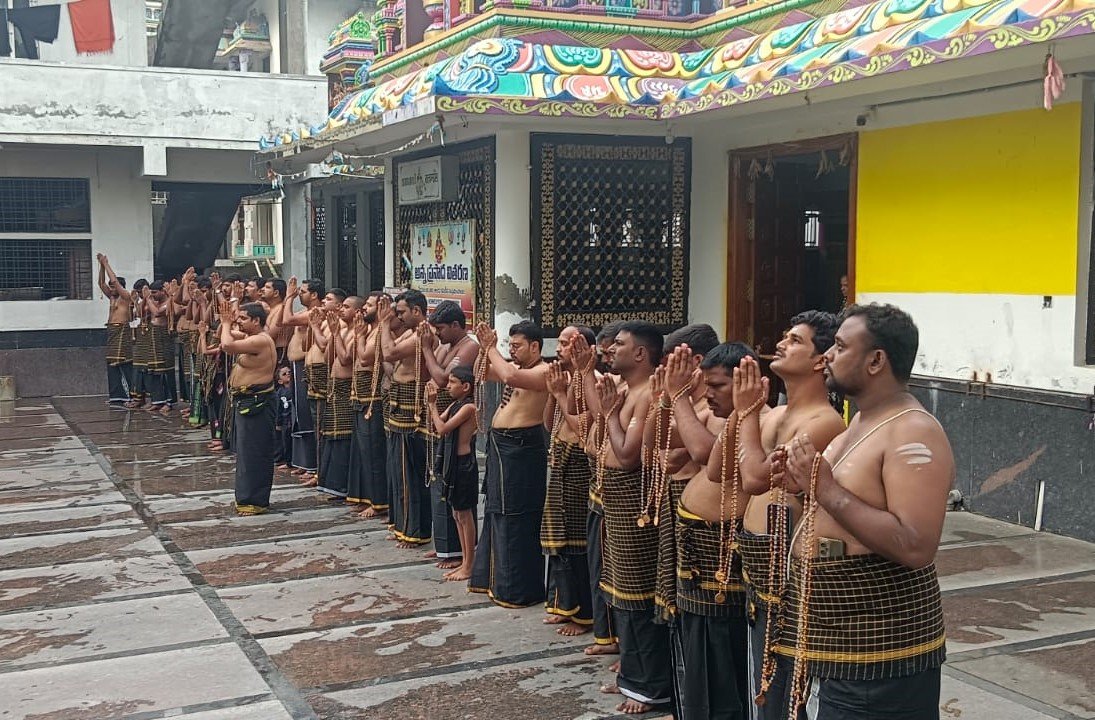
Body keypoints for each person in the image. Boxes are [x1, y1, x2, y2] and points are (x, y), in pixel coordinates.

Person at [778, 303, 953, 720]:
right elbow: (837, 511)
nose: (828, 356)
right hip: (834, 640)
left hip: (879, 656)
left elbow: (915, 545)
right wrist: (803, 488)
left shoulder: (913, 430)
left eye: (840, 346)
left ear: (876, 360)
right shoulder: (858, 422)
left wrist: (826, 488)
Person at [728, 311, 845, 720]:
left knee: (783, 679)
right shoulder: (773, 413)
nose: (780, 344)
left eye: (794, 340)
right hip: (757, 558)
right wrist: (744, 415)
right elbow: (723, 471)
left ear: (819, 360)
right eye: (783, 336)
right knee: (761, 673)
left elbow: (756, 477)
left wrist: (745, 415)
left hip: (789, 564)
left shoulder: (825, 422)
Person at [582, 321, 671, 715]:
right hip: (613, 497)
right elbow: (601, 432)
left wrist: (610, 416)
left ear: (641, 354)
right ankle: (631, 675)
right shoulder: (623, 390)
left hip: (635, 500)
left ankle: (649, 687)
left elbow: (628, 452)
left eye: (618, 344)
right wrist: (602, 404)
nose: (609, 350)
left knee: (636, 592)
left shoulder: (648, 394)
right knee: (618, 589)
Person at [668, 341, 759, 720]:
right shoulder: (728, 419)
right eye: (706, 384)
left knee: (724, 669)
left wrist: (678, 398)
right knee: (695, 659)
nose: (708, 394)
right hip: (697, 563)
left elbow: (711, 461)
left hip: (723, 569)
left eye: (718, 386)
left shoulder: (760, 423)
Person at [469, 320, 550, 608]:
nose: (512, 351)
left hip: (522, 450)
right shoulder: (518, 367)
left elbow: (511, 376)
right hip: (502, 446)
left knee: (516, 514)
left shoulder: (544, 371)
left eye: (517, 346)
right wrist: (484, 348)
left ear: (535, 346)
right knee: (496, 510)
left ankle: (518, 589)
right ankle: (494, 580)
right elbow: (484, 372)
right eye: (510, 345)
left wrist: (491, 348)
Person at [541, 326, 598, 637]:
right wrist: (554, 394)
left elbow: (583, 428)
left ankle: (584, 615)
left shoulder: (594, 383)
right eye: (560, 342)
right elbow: (550, 423)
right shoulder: (566, 380)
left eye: (567, 343)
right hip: (560, 462)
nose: (560, 348)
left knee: (577, 545)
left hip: (578, 469)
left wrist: (562, 394)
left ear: (585, 349)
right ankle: (563, 606)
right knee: (559, 544)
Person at [419, 300, 480, 569]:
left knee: (461, 505)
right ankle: (445, 546)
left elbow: (443, 379)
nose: (438, 334)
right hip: (443, 420)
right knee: (441, 490)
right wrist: (431, 347)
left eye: (441, 328)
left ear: (456, 325)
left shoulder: (470, 346)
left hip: (456, 431)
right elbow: (433, 375)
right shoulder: (445, 345)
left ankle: (462, 555)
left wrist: (425, 348)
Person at [378, 290, 433, 548]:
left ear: (417, 311)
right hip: (398, 402)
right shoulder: (409, 334)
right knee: (396, 470)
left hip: (411, 408)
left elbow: (388, 353)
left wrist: (383, 323)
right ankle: (402, 525)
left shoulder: (422, 333)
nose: (397, 316)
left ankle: (415, 530)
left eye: (401, 312)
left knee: (408, 471)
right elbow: (391, 363)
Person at [218, 300, 277, 515]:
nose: (239, 322)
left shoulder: (261, 341)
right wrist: (228, 320)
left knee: (253, 453)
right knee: (246, 452)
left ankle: (254, 501)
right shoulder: (252, 337)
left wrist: (226, 323)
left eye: (244, 318)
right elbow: (228, 335)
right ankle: (249, 498)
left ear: (256, 320)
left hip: (256, 403)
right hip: (246, 401)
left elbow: (226, 345)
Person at [426, 365, 480, 582]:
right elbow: (435, 424)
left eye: (452, 383)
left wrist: (432, 406)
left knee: (465, 515)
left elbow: (442, 429)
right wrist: (432, 405)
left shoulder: (469, 408)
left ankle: (469, 564)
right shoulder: (455, 404)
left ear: (465, 386)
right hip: (452, 464)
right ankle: (465, 560)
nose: (447, 387)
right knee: (457, 514)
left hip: (463, 465)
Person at [312, 295, 361, 501]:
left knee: (342, 437)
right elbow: (327, 357)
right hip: (334, 387)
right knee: (330, 435)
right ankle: (329, 484)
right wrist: (334, 334)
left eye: (347, 307)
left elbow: (345, 358)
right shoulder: (340, 330)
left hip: (346, 388)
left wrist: (335, 335)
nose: (342, 310)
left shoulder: (358, 332)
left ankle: (341, 486)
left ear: (357, 312)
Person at [347, 291, 390, 519]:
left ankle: (380, 502)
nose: (364, 308)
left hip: (373, 400)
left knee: (374, 452)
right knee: (364, 452)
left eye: (370, 305)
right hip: (360, 397)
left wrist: (359, 336)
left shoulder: (381, 332)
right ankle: (369, 498)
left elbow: (365, 358)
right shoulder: (369, 330)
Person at [278, 277, 324, 482]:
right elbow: (283, 320)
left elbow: (286, 320)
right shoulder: (305, 313)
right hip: (297, 365)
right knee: (298, 415)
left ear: (314, 295)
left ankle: (313, 465)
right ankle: (303, 462)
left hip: (306, 367)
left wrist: (288, 296)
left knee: (306, 415)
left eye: (303, 292)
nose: (299, 295)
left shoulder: (315, 313)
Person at [97, 254, 133, 407]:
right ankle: (115, 396)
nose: (111, 289)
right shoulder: (112, 297)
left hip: (122, 331)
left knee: (122, 363)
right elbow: (101, 283)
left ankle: (129, 395)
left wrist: (107, 264)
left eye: (114, 287)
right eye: (111, 288)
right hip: (111, 331)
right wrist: (101, 266)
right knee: (111, 363)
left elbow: (114, 282)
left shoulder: (125, 297)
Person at [275, 365, 293, 470]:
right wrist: (278, 423)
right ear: (280, 381)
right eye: (284, 374)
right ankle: (287, 461)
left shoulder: (296, 389)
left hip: (294, 419)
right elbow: (278, 409)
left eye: (289, 372)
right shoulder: (280, 393)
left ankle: (294, 461)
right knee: (286, 442)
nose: (288, 374)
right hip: (285, 421)